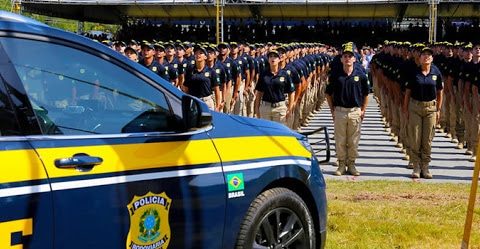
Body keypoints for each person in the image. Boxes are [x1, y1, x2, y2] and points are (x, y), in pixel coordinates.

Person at [326, 42, 369, 176]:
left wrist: (363, 110)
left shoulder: (360, 75)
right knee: (340, 140)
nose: (347, 59)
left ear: (354, 59)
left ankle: (351, 164)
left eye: (350, 56)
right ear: (341, 59)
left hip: (354, 111)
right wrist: (332, 110)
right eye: (345, 56)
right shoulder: (336, 75)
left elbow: (366, 93)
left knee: (353, 140)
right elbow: (328, 93)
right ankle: (341, 164)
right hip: (340, 111)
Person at [402, 46, 444, 179]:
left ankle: (425, 166)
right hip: (415, 107)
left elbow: (440, 92)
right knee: (415, 138)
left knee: (427, 139)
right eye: (424, 55)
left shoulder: (436, 72)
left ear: (432, 58)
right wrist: (405, 109)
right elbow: (407, 93)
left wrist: (438, 109)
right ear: (419, 58)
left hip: (430, 108)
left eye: (429, 55)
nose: (426, 57)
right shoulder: (414, 72)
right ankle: (416, 166)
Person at [254, 49, 295, 125]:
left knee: (279, 133)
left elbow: (291, 92)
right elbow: (259, 92)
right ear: (268, 60)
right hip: (266, 107)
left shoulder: (284, 74)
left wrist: (290, 108)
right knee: (266, 133)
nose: (273, 59)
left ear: (279, 59)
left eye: (275, 57)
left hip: (280, 108)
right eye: (270, 56)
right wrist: (257, 108)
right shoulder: (263, 74)